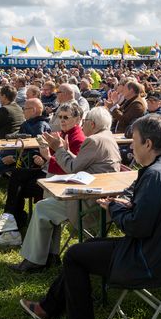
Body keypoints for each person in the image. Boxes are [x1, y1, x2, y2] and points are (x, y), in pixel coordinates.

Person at [18, 114, 161, 319]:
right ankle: (48, 307)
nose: (131, 146)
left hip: (150, 260)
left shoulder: (156, 173)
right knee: (85, 250)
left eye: (134, 140)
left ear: (148, 144)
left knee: (74, 256)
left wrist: (113, 207)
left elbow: (136, 227)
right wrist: (127, 202)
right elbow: (147, 208)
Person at [9, 106, 121, 272]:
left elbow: (72, 167)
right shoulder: (107, 137)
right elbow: (82, 164)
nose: (83, 126)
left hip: (90, 204)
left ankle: (35, 261)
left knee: (42, 207)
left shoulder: (93, 140)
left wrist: (60, 149)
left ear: (92, 123)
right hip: (101, 198)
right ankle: (51, 256)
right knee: (48, 206)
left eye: (85, 122)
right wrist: (66, 151)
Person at [0, 102, 86, 247]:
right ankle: (12, 226)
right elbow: (56, 159)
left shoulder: (77, 138)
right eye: (60, 117)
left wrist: (46, 159)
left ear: (77, 119)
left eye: (66, 117)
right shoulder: (64, 134)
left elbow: (70, 168)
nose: (62, 120)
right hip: (52, 175)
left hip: (62, 183)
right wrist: (42, 157)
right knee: (18, 178)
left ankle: (12, 227)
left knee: (17, 184)